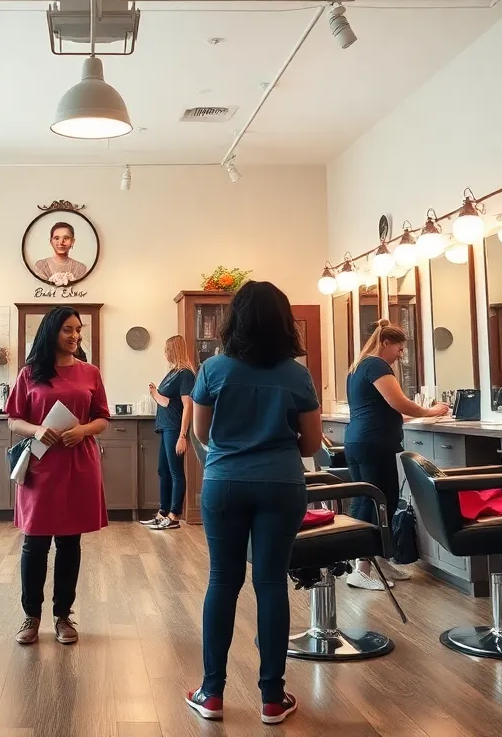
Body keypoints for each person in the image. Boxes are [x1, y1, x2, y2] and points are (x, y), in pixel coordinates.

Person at [184, 281, 321, 726]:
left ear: (234, 319)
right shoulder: (297, 375)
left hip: (225, 483)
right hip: (282, 484)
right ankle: (272, 698)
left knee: (222, 581)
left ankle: (211, 693)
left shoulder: (214, 369)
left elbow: (204, 434)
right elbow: (311, 445)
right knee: (270, 584)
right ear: (284, 322)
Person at [6, 306, 110, 646]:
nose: (75, 335)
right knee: (34, 543)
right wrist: (37, 430)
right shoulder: (30, 373)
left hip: (79, 463)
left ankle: (63, 615)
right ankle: (31, 616)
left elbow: (102, 419)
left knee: (69, 542)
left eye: (78, 329)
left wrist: (82, 431)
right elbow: (13, 419)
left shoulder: (90, 372)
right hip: (40, 466)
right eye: (68, 329)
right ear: (52, 331)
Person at [344, 319, 448, 591]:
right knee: (379, 502)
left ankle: (377, 560)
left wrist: (405, 416)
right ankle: (363, 569)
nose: (401, 355)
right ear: (386, 343)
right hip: (374, 443)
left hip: (360, 440)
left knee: (370, 500)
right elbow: (397, 401)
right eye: (399, 349)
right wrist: (431, 412)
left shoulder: (358, 366)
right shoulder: (376, 365)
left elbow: (379, 407)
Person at [144, 335, 195, 530]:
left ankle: (174, 515)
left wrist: (183, 436)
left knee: (175, 472)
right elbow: (167, 402)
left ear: (173, 350)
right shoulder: (172, 373)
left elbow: (187, 406)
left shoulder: (185, 374)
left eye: (167, 349)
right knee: (163, 471)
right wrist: (156, 393)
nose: (165, 353)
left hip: (175, 428)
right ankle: (162, 513)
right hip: (165, 427)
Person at [32, 221, 89, 286]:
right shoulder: (40, 266)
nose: (61, 242)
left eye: (66, 238)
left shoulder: (80, 268)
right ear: (51, 241)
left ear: (73, 241)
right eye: (57, 238)